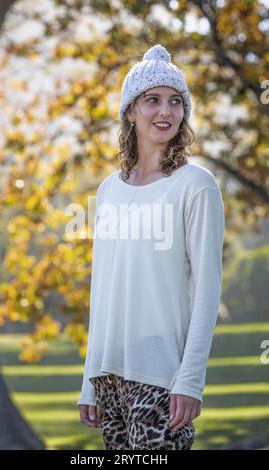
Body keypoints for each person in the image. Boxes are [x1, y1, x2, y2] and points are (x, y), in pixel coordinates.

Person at [77, 44, 225, 450]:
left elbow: (208, 288)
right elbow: (102, 291)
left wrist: (190, 379)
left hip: (161, 374)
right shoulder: (108, 190)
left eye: (176, 101)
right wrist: (90, 382)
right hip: (108, 376)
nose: (166, 111)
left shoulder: (196, 185)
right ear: (130, 112)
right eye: (152, 100)